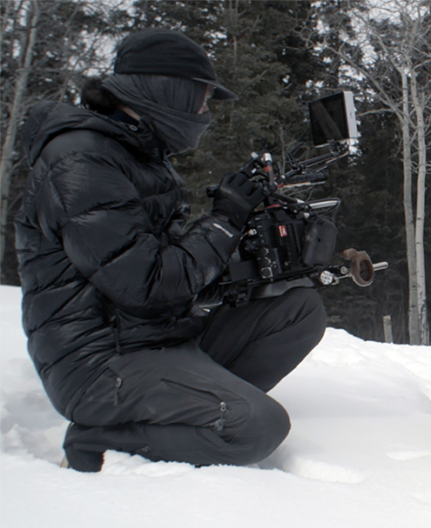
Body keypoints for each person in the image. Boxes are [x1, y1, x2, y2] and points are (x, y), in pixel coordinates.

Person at [15, 29, 327, 472]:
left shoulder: (137, 154)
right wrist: (223, 220)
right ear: (168, 91)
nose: (203, 114)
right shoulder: (80, 162)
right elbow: (148, 286)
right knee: (257, 428)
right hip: (100, 361)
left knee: (299, 309)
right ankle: (100, 436)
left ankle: (197, 401)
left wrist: (252, 240)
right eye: (200, 100)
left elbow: (168, 266)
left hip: (155, 335)